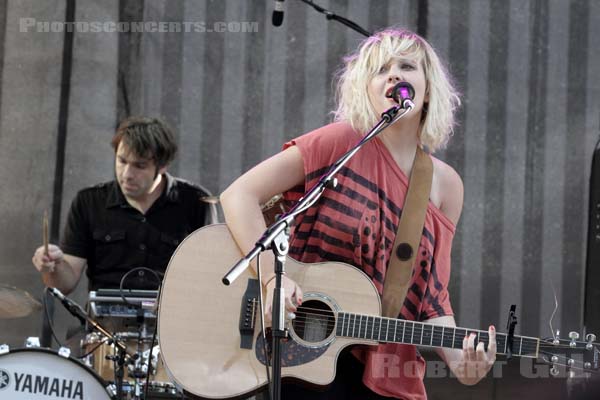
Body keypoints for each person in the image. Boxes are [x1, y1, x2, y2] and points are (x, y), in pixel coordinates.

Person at [220, 28, 496, 399]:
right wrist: (273, 280)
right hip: (303, 355)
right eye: (381, 69)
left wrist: (461, 362)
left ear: (428, 88)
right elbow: (239, 195)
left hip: (382, 368)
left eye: (407, 66)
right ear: (366, 88)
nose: (394, 74)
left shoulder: (445, 185)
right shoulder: (338, 143)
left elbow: (431, 296)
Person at [32, 116, 217, 295]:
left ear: (163, 166)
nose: (127, 174)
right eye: (122, 161)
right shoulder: (89, 202)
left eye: (140, 166)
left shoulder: (196, 202)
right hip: (104, 322)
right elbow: (65, 284)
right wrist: (52, 268)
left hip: (171, 318)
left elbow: (211, 276)